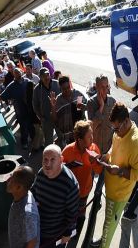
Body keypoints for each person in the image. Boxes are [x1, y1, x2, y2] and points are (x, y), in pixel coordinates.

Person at [92, 103, 138, 248]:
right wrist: (104, 157)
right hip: (110, 190)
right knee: (108, 225)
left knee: (108, 231)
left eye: (117, 128)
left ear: (126, 121)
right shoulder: (120, 131)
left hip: (118, 196)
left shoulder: (136, 142)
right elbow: (113, 149)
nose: (115, 132)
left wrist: (119, 171)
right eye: (113, 128)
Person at [31, 144, 79, 248]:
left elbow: (72, 214)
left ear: (61, 160)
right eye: (45, 159)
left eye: (53, 159)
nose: (48, 164)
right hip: (37, 230)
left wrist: (67, 233)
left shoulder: (70, 184)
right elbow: (33, 191)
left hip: (55, 236)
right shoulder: (41, 173)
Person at [62, 120, 103, 236]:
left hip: (84, 191)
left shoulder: (94, 148)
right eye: (89, 137)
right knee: (68, 214)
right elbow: (59, 168)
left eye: (92, 136)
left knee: (80, 214)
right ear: (79, 140)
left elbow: (99, 171)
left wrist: (95, 163)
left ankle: (77, 233)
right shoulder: (68, 150)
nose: (92, 140)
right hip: (69, 192)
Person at [0, 68, 33, 149]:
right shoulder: (11, 85)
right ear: (14, 75)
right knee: (23, 127)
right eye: (15, 73)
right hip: (20, 109)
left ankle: (34, 140)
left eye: (18, 72)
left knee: (31, 124)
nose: (18, 74)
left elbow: (33, 91)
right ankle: (24, 142)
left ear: (21, 72)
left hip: (30, 108)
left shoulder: (27, 81)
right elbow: (3, 95)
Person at [7, 166, 40, 248]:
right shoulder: (26, 193)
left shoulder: (26, 214)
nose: (8, 180)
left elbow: (32, 243)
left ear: (19, 187)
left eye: (11, 179)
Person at [50, 75, 87, 148]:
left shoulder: (78, 95)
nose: (67, 90)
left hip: (80, 133)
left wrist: (83, 106)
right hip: (66, 138)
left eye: (68, 87)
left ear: (70, 85)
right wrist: (53, 107)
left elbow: (84, 109)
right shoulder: (58, 100)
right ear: (60, 88)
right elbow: (54, 120)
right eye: (64, 89)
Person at [87, 74, 116, 154]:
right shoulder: (91, 103)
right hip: (96, 148)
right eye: (102, 87)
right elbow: (92, 126)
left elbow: (116, 125)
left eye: (106, 86)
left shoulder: (112, 101)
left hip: (109, 147)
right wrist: (101, 106)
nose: (105, 90)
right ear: (96, 87)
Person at [33, 68, 61, 146]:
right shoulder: (37, 89)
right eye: (44, 76)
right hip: (46, 119)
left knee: (62, 137)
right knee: (49, 141)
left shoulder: (57, 84)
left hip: (59, 117)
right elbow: (35, 105)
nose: (46, 77)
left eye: (48, 75)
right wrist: (40, 117)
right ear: (40, 77)